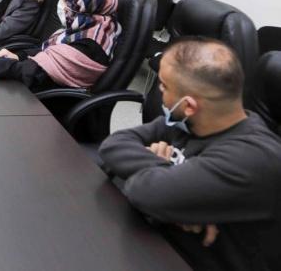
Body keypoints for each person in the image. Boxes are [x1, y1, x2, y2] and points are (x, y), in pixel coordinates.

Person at [100, 37, 281, 270]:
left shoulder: (253, 158)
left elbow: (142, 191)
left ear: (189, 106)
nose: (159, 92)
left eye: (164, 86)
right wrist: (170, 178)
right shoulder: (188, 122)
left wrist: (166, 187)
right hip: (158, 244)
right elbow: (114, 144)